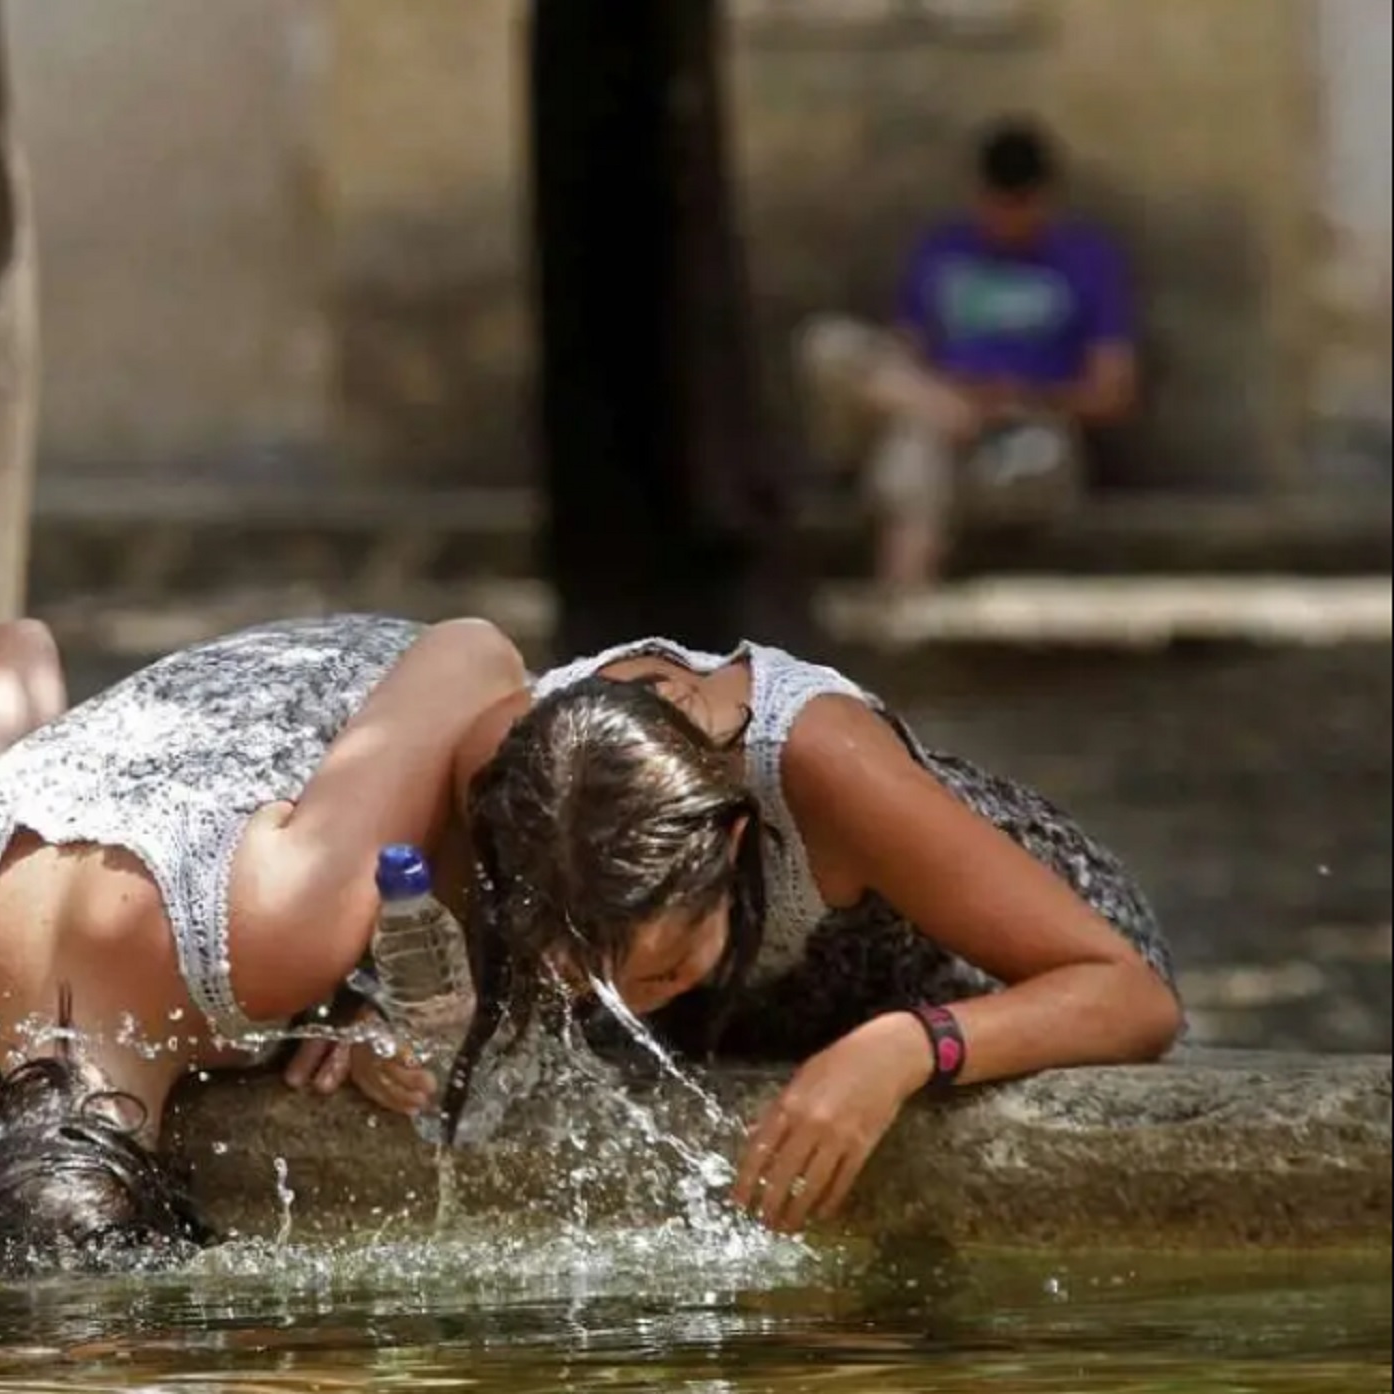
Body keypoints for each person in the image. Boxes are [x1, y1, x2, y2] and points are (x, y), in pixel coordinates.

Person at [0, 614, 530, 1273]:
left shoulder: (268, 947)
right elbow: (17, 649)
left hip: (386, 681)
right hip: (229, 708)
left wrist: (382, 984)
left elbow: (475, 652)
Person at [287, 634, 1185, 1235]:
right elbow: (439, 971)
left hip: (985, 963)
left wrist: (907, 1047)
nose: (629, 1007)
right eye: (593, 979)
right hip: (772, 1009)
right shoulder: (511, 782)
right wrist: (388, 1029)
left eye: (670, 964)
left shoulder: (822, 764)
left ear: (734, 842)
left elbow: (1132, 995)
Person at [794, 117, 1140, 607]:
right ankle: (905, 606)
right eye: (997, 204)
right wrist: (945, 398)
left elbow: (1114, 392)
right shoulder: (943, 251)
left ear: (1046, 199)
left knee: (923, 454)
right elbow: (901, 353)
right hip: (936, 409)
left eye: (1020, 205)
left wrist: (1017, 397)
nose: (1007, 218)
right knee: (833, 346)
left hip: (1026, 432)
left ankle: (899, 601)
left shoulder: (1087, 261)